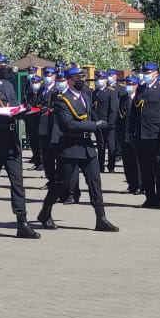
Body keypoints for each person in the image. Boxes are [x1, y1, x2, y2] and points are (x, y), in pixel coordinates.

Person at [36, 66, 119, 232]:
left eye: (82, 77)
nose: (81, 80)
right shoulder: (62, 100)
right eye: (77, 78)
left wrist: (100, 137)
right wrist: (94, 125)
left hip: (87, 146)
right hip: (70, 147)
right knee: (61, 183)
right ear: (69, 80)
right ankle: (45, 211)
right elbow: (68, 124)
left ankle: (101, 218)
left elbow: (90, 116)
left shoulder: (86, 97)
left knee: (95, 182)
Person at [0, 53, 39, 239]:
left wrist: (26, 111)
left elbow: (15, 105)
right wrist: (15, 110)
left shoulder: (8, 85)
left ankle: (22, 222)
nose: (3, 68)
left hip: (11, 139)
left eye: (4, 65)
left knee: (17, 183)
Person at [130, 62, 160, 208]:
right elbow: (134, 113)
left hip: (156, 136)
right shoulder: (141, 89)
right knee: (145, 169)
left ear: (155, 73)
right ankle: (150, 197)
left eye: (148, 73)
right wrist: (131, 132)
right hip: (141, 136)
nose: (145, 75)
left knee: (159, 170)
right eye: (144, 73)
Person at [117, 75, 141, 194]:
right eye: (127, 84)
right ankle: (131, 184)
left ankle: (140, 185)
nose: (129, 86)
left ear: (136, 86)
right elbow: (119, 118)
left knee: (137, 162)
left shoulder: (139, 99)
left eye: (131, 84)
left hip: (135, 136)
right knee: (127, 162)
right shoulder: (123, 98)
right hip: (124, 135)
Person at [94, 70, 120, 173]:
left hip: (108, 123)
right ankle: (100, 166)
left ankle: (111, 166)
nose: (99, 80)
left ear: (105, 80)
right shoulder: (95, 92)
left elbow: (113, 109)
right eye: (98, 78)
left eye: (101, 78)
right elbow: (93, 109)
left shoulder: (111, 92)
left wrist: (111, 123)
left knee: (110, 145)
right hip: (98, 123)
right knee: (100, 145)